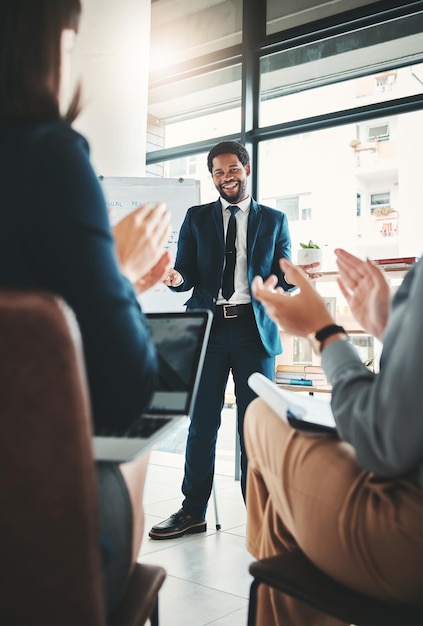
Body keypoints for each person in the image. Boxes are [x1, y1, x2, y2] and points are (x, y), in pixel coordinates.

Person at [0, 0, 171, 614]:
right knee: (137, 445)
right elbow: (127, 394)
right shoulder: (48, 155)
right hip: (23, 555)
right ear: (47, 46)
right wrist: (120, 273)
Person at [149, 140, 320, 540]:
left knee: (255, 425)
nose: (225, 178)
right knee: (202, 423)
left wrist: (294, 280)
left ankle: (261, 513)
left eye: (232, 169)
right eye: (217, 172)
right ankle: (192, 511)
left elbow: (284, 276)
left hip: (252, 331)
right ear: (212, 176)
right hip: (208, 329)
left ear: (246, 168)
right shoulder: (196, 217)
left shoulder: (275, 220)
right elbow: (186, 272)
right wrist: (176, 279)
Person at [244, 248, 423, 625]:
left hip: (406, 539)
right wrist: (390, 329)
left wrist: (323, 333)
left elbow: (384, 442)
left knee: (262, 414)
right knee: (288, 503)